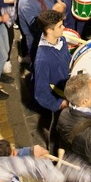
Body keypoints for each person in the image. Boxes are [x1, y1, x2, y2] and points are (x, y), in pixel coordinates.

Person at [33, 10, 70, 151]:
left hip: (68, 90)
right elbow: (40, 93)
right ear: (49, 30)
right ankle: (54, 152)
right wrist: (59, 104)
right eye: (60, 26)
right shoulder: (42, 59)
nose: (64, 28)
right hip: (60, 97)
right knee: (57, 127)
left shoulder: (62, 40)